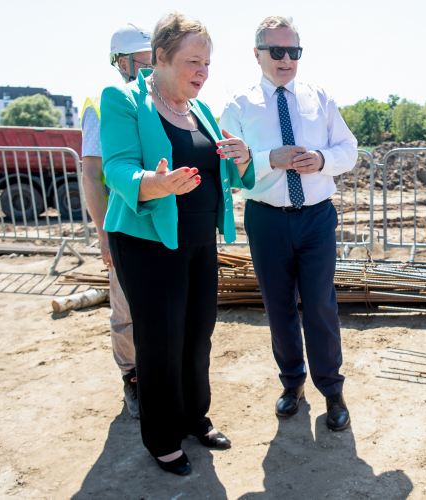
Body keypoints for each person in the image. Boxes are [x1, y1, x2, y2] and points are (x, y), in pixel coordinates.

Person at [100, 12, 255, 475]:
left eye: (207, 63)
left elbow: (222, 170)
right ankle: (162, 437)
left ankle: (194, 418)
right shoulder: (124, 100)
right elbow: (118, 168)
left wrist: (242, 158)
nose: (202, 72)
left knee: (197, 335)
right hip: (146, 241)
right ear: (160, 57)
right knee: (160, 341)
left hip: (199, 239)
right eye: (192, 61)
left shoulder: (200, 110)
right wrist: (157, 182)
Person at [220, 16, 357, 432]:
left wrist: (321, 160)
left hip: (316, 217)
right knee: (279, 309)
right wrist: (268, 160)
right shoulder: (237, 106)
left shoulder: (321, 98)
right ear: (257, 53)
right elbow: (230, 167)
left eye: (293, 51)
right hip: (266, 221)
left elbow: (348, 149)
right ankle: (292, 383)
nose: (285, 60)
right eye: (276, 51)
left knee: (319, 304)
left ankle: (332, 391)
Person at [80, 22, 153, 419]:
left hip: (156, 224)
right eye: (144, 62)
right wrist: (104, 234)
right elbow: (91, 175)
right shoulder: (104, 102)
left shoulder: (158, 98)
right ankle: (133, 377)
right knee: (126, 309)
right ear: (123, 63)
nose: (151, 69)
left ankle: (162, 375)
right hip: (123, 225)